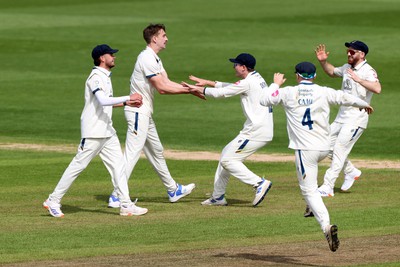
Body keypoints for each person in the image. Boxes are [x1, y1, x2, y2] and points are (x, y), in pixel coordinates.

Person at [259, 62, 374, 252]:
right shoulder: (323, 91)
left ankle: (326, 225)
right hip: (324, 148)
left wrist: (276, 84)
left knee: (308, 190)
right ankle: (312, 206)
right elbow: (345, 97)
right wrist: (364, 104)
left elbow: (265, 100)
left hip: (305, 150)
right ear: (313, 76)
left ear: (297, 76)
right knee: (311, 187)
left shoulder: (288, 92)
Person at [43, 44, 148, 217]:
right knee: (77, 166)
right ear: (101, 58)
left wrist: (125, 103)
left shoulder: (105, 76)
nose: (114, 57)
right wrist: (129, 97)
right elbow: (102, 100)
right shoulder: (96, 77)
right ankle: (53, 200)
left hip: (107, 131)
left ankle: (126, 205)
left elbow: (106, 102)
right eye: (111, 54)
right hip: (93, 132)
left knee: (119, 168)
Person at [117, 23, 203, 207]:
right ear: (154, 38)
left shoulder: (154, 58)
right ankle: (117, 196)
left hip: (145, 114)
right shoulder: (146, 58)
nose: (166, 38)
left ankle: (173, 190)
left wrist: (190, 89)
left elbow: (167, 82)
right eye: (163, 35)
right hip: (138, 113)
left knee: (156, 152)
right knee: (131, 155)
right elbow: (162, 89)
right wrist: (190, 92)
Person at [183, 53, 273, 207]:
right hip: (259, 129)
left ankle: (259, 183)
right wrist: (209, 83)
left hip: (255, 131)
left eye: (236, 64)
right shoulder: (256, 78)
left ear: (243, 67)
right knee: (226, 153)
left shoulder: (249, 82)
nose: (234, 67)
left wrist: (199, 89)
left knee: (228, 160)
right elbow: (233, 86)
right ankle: (218, 197)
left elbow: (221, 93)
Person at [315, 41, 381, 196]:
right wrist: (323, 62)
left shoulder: (367, 70)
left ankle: (328, 186)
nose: (349, 54)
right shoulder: (347, 68)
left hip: (356, 118)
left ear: (362, 54)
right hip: (341, 117)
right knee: (326, 146)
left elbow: (377, 88)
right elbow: (332, 72)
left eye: (352, 52)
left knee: (339, 150)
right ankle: (351, 171)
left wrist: (359, 80)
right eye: (348, 51)